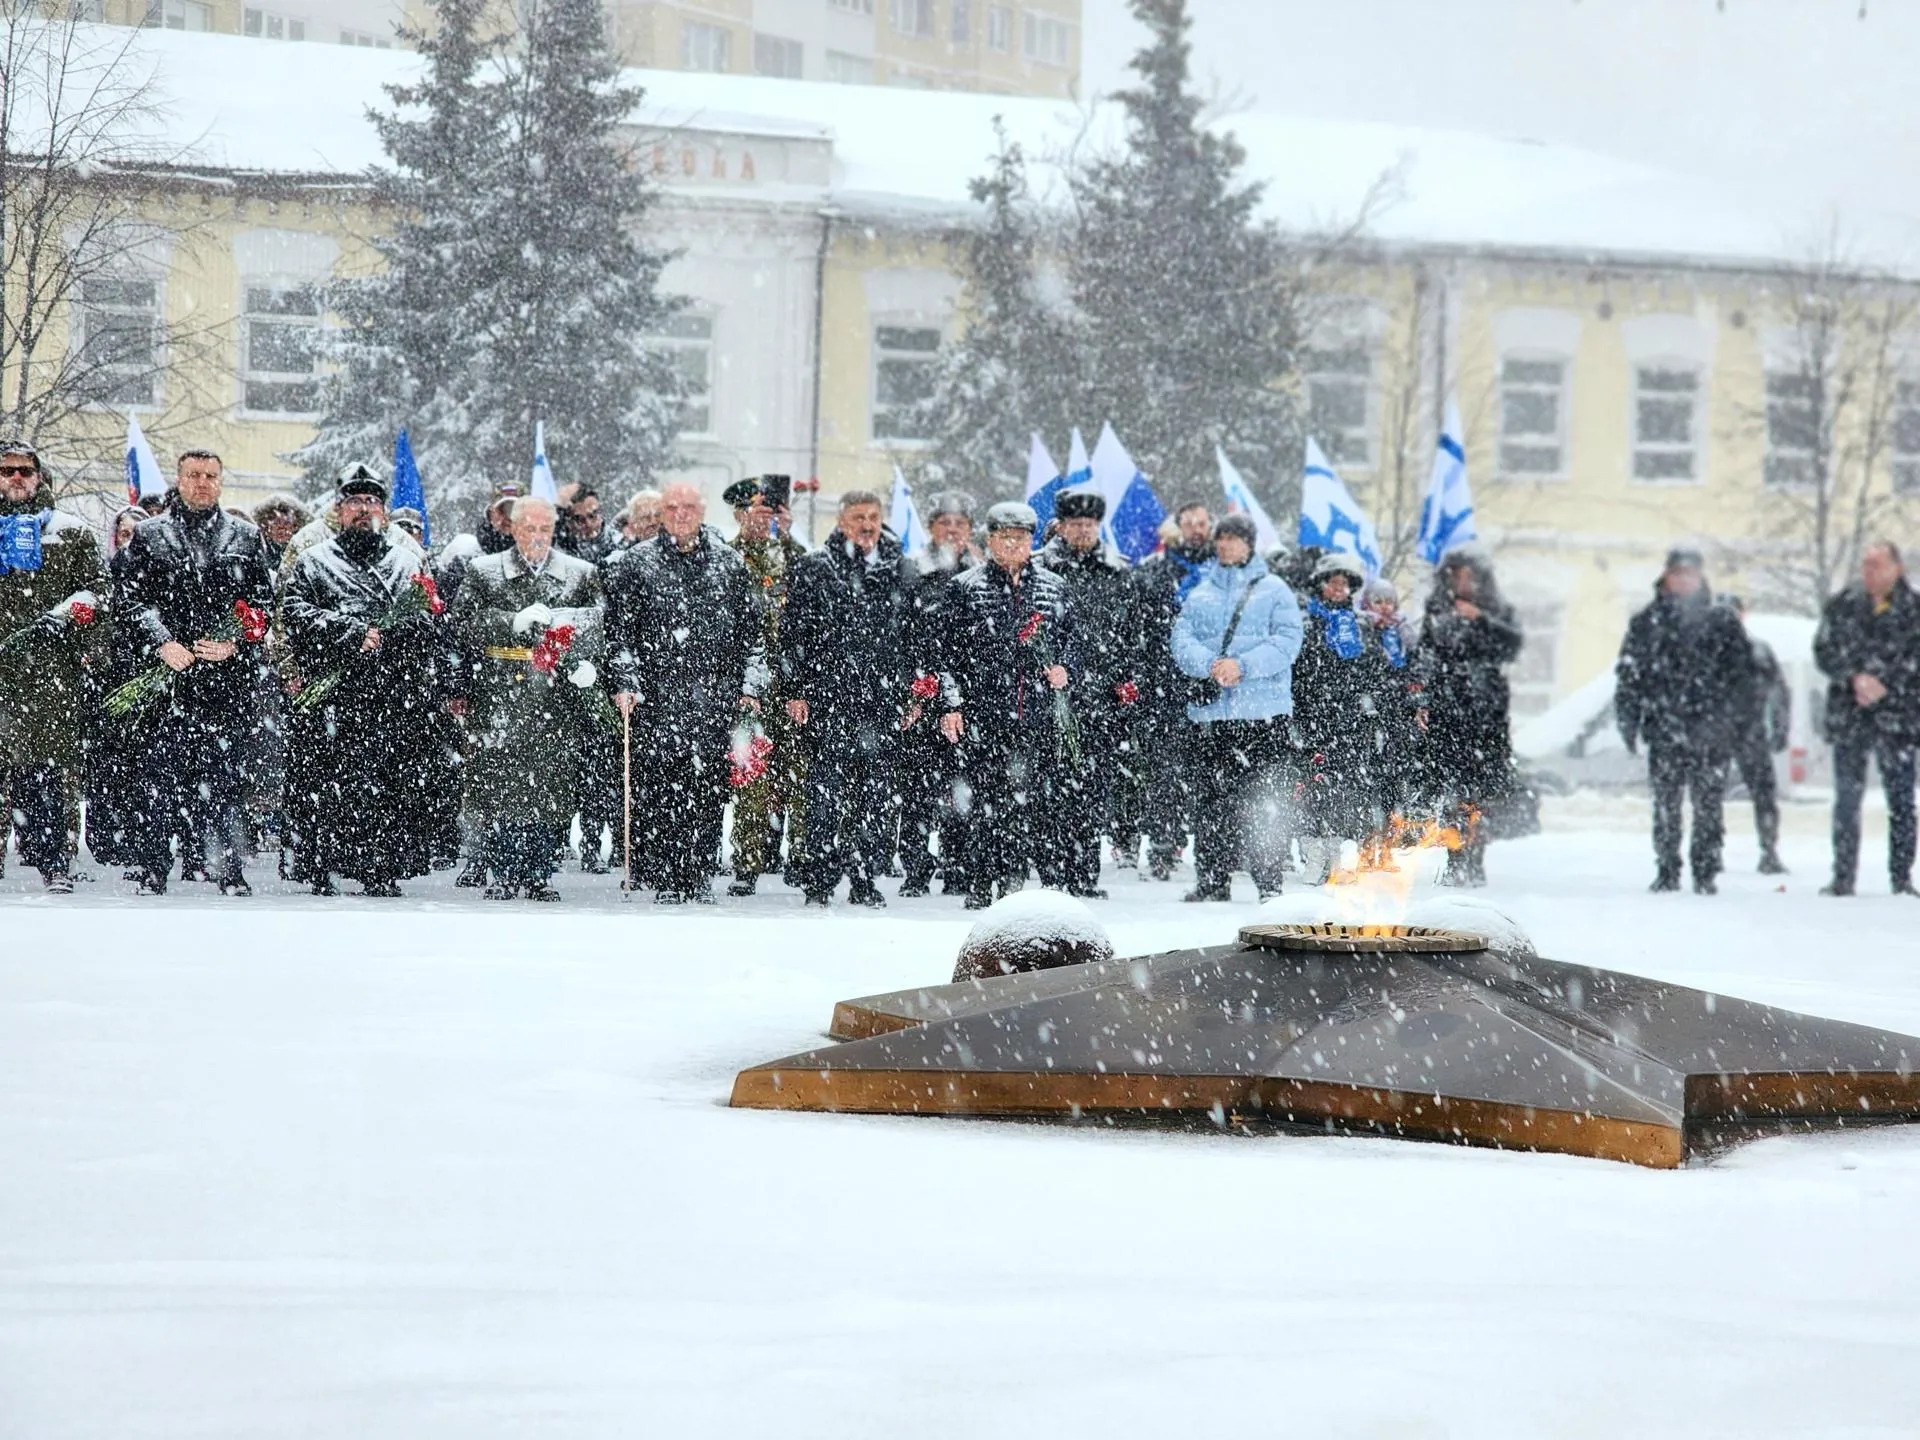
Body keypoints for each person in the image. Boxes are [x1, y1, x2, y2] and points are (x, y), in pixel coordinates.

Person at [113, 449, 275, 895]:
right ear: (179, 480)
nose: (202, 483)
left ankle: (227, 868)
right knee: (157, 782)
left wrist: (236, 641)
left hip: (226, 684)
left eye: (210, 476)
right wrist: (161, 642)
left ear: (221, 482)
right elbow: (129, 601)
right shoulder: (148, 535)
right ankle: (151, 868)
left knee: (225, 783)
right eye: (193, 475)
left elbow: (263, 605)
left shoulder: (246, 535)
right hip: (165, 683)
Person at [281, 467, 445, 897]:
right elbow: (296, 614)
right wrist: (351, 633)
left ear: (384, 512)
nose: (363, 510)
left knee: (389, 783)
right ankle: (322, 865)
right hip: (334, 694)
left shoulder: (407, 560)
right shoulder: (315, 561)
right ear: (340, 510)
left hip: (392, 694)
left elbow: (429, 619)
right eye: (355, 502)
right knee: (326, 783)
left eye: (372, 502)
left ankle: (381, 865)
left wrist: (389, 636)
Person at [607, 481, 762, 905]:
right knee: (661, 789)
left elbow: (753, 636)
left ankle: (699, 873)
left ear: (702, 510)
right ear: (661, 513)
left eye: (688, 506)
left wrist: (750, 687)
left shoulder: (730, 565)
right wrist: (625, 682)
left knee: (710, 791)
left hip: (714, 698)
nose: (680, 513)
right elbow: (620, 635)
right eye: (672, 506)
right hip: (657, 699)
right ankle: (668, 875)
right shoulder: (636, 564)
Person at [450, 495, 604, 901]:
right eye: (529, 528)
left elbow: (595, 624)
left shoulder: (579, 573)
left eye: (544, 529)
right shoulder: (484, 572)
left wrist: (588, 665)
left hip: (554, 696)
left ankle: (540, 871)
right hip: (500, 691)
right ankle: (502, 869)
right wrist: (510, 623)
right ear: (513, 529)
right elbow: (461, 624)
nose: (537, 537)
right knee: (500, 785)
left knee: (550, 787)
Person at [937, 501, 1080, 910]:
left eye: (1021, 537)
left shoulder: (1054, 588)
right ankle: (982, 881)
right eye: (1005, 536)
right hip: (985, 713)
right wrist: (952, 704)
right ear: (990, 539)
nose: (1013, 544)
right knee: (983, 799)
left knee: (1031, 800)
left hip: (1036, 715)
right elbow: (947, 652)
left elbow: (1076, 642)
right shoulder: (965, 587)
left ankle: (1017, 879)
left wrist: (1065, 669)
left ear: (1033, 541)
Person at [779, 490, 914, 907]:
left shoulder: (901, 569)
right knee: (824, 798)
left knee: (877, 800)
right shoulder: (815, 567)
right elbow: (792, 635)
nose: (867, 525)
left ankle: (866, 876)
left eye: (874, 516)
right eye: (858, 517)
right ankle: (818, 878)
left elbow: (915, 639)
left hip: (882, 703)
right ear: (841, 521)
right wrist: (794, 690)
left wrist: (915, 692)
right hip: (829, 699)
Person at [1169, 513, 1304, 901]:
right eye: (1221, 538)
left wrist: (1243, 666)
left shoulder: (1275, 589)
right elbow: (1182, 639)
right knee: (1211, 803)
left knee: (1265, 804)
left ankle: (1269, 883)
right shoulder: (1201, 592)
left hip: (1261, 718)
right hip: (1213, 719)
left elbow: (1288, 642)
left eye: (1234, 538)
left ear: (1249, 543)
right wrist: (1209, 665)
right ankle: (1212, 881)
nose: (1226, 545)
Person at [0, 440, 108, 893]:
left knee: (52, 776)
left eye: (25, 470)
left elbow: (98, 591)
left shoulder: (70, 531)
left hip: (51, 675)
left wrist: (66, 619)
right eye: (8, 471)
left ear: (40, 476)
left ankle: (55, 862)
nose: (17, 478)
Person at [1614, 547, 1750, 894]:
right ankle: (1667, 867)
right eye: (1677, 573)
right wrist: (1629, 720)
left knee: (1708, 804)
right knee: (1665, 804)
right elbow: (1630, 676)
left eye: (1690, 573)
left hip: (1710, 729)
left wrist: (1736, 723)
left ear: (1701, 577)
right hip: (1664, 727)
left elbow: (1742, 678)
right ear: (1667, 576)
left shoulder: (1721, 622)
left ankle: (1705, 870)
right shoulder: (1647, 622)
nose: (1683, 579)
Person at [1036, 486, 1140, 898]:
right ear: (1060, 526)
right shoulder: (1039, 568)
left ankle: (1083, 875)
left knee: (1091, 790)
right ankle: (1051, 877)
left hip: (1100, 698)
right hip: (1050, 695)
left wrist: (1125, 680)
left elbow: (1133, 633)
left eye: (1090, 524)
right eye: (1075, 524)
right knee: (1050, 790)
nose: (1083, 530)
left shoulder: (1118, 571)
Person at [1813, 541, 1920, 896]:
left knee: (1901, 799)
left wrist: (1887, 684)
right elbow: (1825, 650)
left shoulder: (1914, 610)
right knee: (1847, 798)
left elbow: (1914, 659)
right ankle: (1843, 876)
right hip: (1851, 714)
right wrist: (1853, 678)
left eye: (1877, 564)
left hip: (1899, 717)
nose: (1869, 572)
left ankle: (1901, 877)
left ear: (1897, 568)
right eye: (1865, 565)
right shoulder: (1843, 607)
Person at [1414, 554, 1523, 886]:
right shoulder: (1437, 611)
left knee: (1481, 792)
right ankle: (1456, 856)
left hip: (1485, 714)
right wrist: (1423, 701)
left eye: (1470, 578)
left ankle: (1475, 858)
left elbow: (1511, 646)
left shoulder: (1496, 611)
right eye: (1458, 578)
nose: (1464, 584)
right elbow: (1426, 657)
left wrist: (1482, 620)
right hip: (1449, 712)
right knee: (1452, 792)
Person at [723, 474, 808, 895]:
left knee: (799, 773)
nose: (769, 518)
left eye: (775, 511)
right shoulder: (727, 557)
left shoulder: (798, 557)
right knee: (752, 775)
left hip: (792, 682)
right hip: (749, 684)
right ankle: (748, 862)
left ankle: (803, 858)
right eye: (760, 509)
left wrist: (787, 538)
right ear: (740, 514)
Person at [1292, 552, 1395, 884]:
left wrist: (1369, 706)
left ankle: (1336, 853)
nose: (1338, 589)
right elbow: (1296, 669)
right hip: (1310, 717)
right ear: (1321, 585)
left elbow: (1376, 671)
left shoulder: (1361, 625)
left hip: (1349, 722)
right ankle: (1312, 853)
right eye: (1332, 582)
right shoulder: (1305, 622)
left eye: (1344, 584)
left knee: (1344, 789)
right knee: (1307, 788)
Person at [1128, 498, 1214, 880]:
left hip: (1215, 688)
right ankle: (1164, 847)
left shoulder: (1223, 572)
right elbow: (1140, 633)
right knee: (1164, 774)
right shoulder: (1155, 573)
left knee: (1212, 775)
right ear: (1177, 528)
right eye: (1189, 522)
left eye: (1202, 522)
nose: (1197, 528)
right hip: (1165, 688)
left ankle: (1217, 851)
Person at [898, 490, 978, 897]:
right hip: (922, 691)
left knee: (961, 785)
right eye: (944, 522)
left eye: (959, 523)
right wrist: (914, 683)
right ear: (930, 527)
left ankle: (959, 863)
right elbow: (900, 632)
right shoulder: (912, 569)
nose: (952, 529)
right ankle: (915, 867)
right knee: (917, 789)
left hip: (968, 699)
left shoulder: (981, 573)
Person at [1722, 595, 1790, 876]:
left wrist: (1780, 725)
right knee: (1712, 795)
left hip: (1747, 729)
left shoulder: (1758, 650)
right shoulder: (1710, 650)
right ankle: (1711, 852)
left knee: (1762, 793)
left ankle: (1768, 850)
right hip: (1726, 730)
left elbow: (1778, 692)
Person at [558, 484, 618, 566]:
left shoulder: (619, 543)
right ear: (569, 523)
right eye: (579, 520)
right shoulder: (559, 552)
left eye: (592, 516)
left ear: (601, 513)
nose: (588, 524)